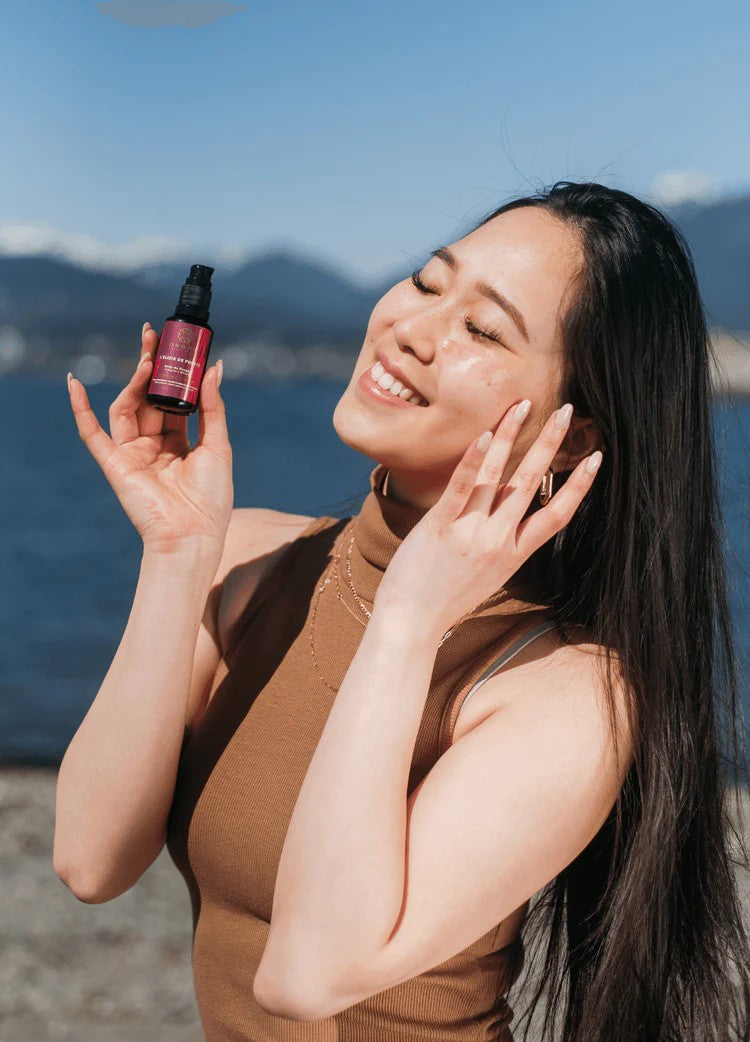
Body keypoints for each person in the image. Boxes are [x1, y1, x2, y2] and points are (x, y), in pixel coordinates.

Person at [56, 180, 750, 1042]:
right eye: (426, 282)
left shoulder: (568, 691)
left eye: (483, 329)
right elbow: (90, 859)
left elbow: (306, 975)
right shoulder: (249, 561)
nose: (411, 330)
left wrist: (408, 620)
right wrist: (174, 556)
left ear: (569, 438)